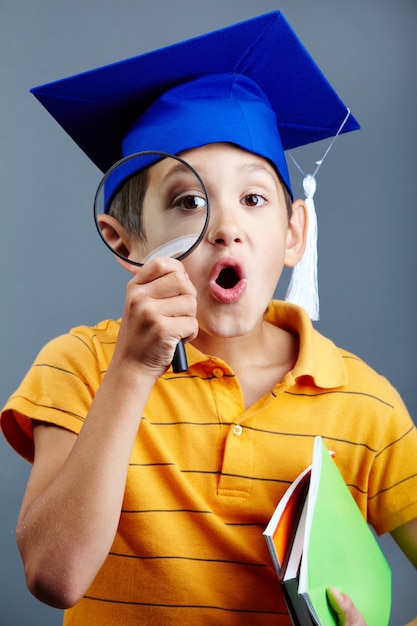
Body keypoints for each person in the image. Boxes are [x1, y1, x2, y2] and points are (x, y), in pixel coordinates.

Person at [1, 11, 416, 626]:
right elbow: (53, 576)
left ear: (295, 232)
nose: (227, 227)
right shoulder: (82, 367)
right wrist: (133, 371)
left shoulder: (366, 407)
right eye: (189, 201)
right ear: (126, 242)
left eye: (254, 199)